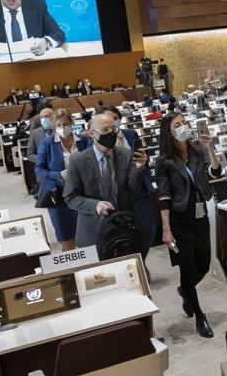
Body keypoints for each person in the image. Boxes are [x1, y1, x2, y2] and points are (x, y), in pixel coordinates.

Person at [156, 112, 223, 339]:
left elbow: (216, 171)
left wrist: (212, 149)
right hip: (179, 219)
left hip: (200, 214)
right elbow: (163, 197)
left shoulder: (198, 149)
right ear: (169, 131)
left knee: (203, 265)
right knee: (187, 266)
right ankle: (200, 317)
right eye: (178, 124)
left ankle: (185, 291)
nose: (184, 126)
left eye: (185, 123)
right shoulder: (164, 161)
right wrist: (166, 229)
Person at [63, 112, 147, 250]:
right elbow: (70, 197)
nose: (111, 133)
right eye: (105, 130)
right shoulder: (78, 161)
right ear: (91, 133)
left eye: (113, 129)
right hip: (93, 230)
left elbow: (133, 188)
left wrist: (138, 168)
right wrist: (95, 205)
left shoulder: (126, 154)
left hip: (125, 225)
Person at [92, 106, 157, 263]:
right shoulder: (97, 141)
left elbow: (142, 158)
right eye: (108, 120)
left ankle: (140, 261)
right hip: (118, 194)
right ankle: (131, 262)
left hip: (138, 189)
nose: (114, 122)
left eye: (115, 118)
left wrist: (144, 173)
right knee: (122, 231)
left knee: (149, 228)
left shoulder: (130, 134)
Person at [35, 108, 80, 252]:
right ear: (54, 126)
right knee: (67, 240)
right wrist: (59, 175)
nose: (63, 128)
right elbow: (39, 169)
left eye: (66, 124)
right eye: (59, 125)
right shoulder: (46, 143)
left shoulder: (83, 141)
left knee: (86, 238)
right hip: (58, 198)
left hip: (82, 195)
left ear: (72, 123)